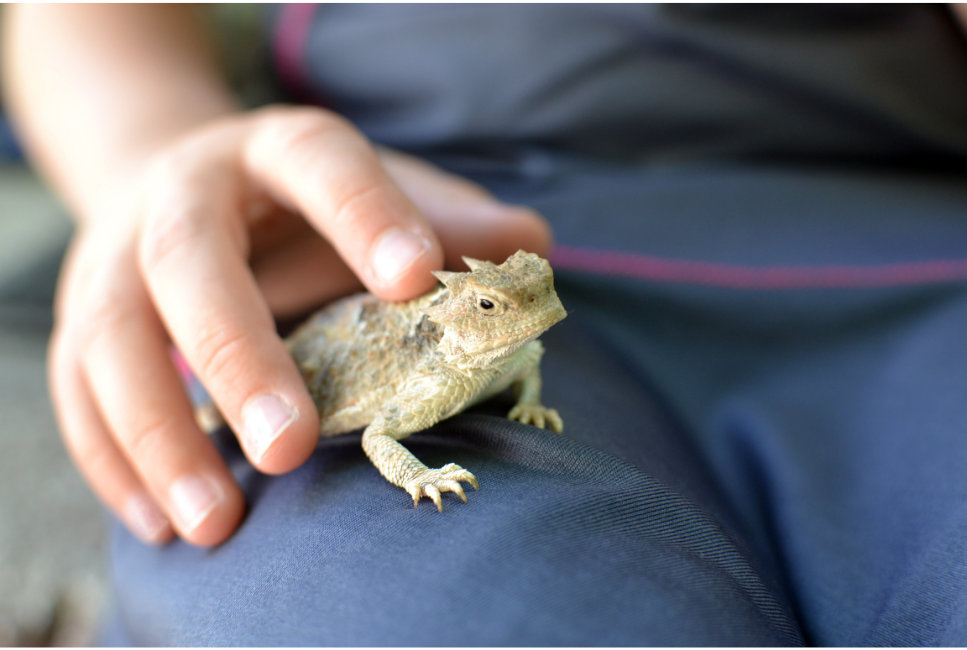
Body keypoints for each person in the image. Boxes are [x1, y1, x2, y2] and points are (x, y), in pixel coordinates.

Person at [5, 4, 967, 645]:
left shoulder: (514, 322)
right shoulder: (435, 346)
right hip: (374, 207)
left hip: (904, 236)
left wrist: (524, 385)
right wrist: (149, 149)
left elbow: (521, 357)